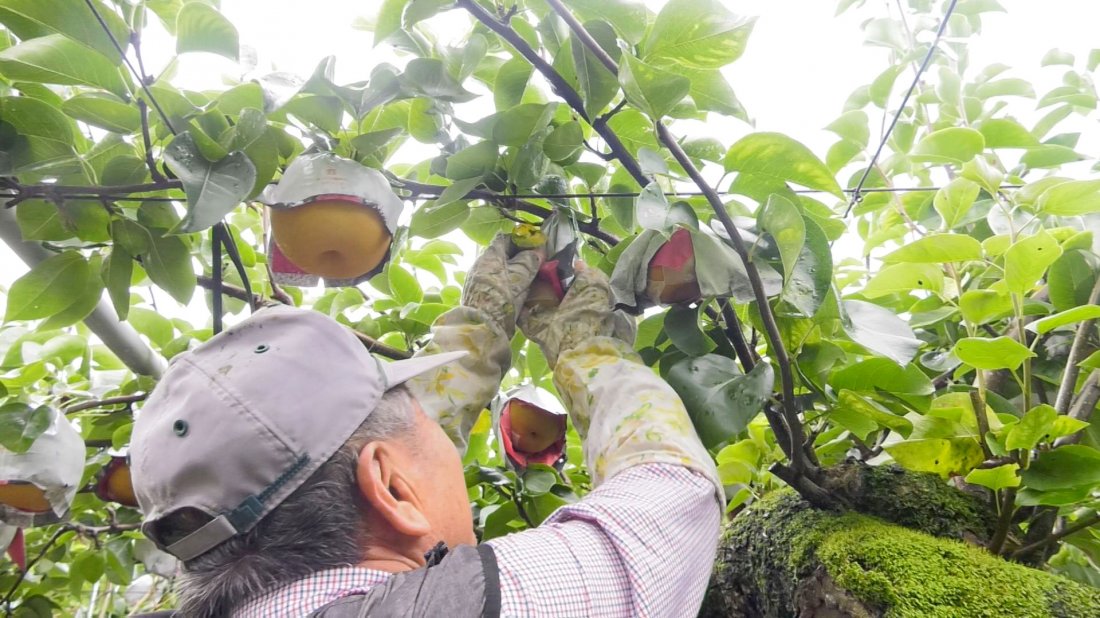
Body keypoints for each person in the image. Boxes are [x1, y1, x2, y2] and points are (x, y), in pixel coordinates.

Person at [130, 235, 723, 617]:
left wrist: (479, 331)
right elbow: (671, 495)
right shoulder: (474, 606)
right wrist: (585, 346)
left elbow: (346, 459)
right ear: (390, 488)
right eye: (431, 430)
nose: (449, 442)